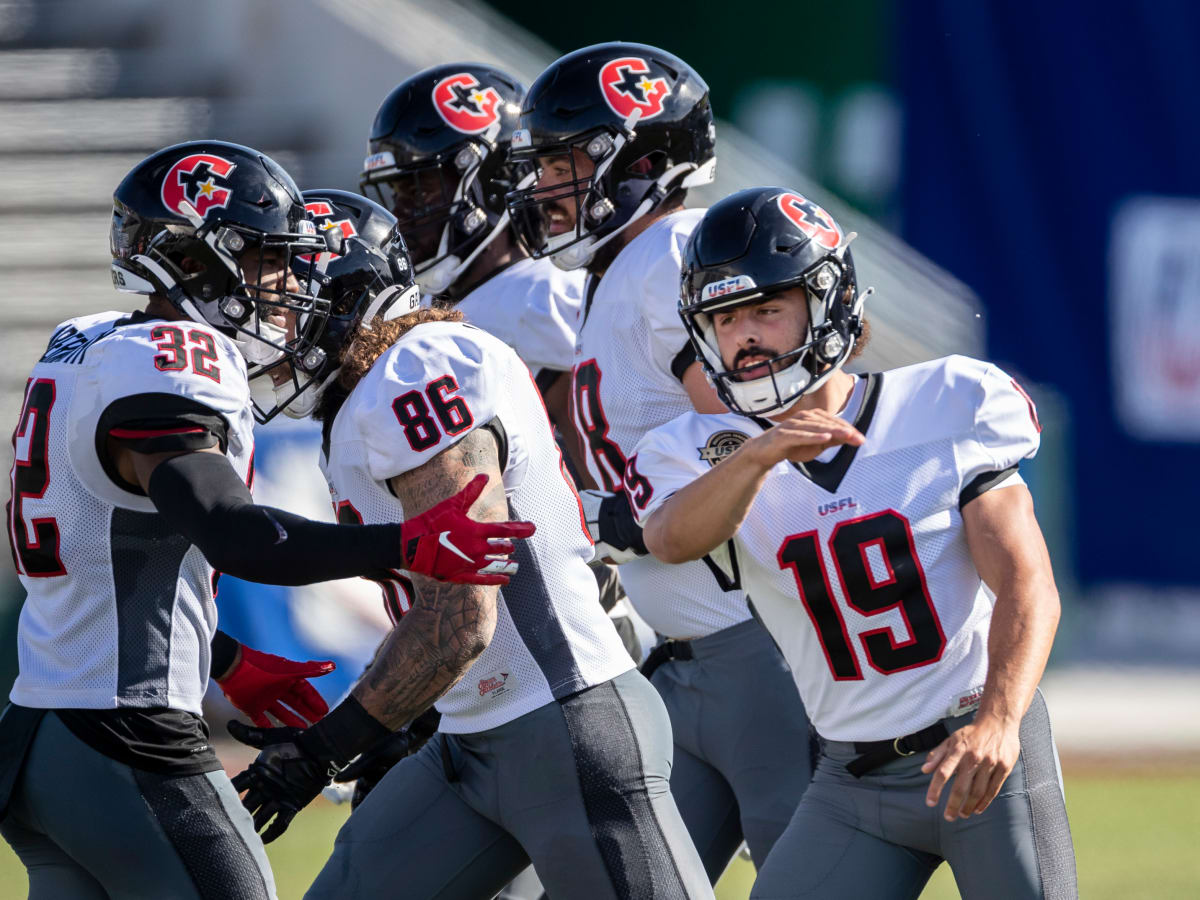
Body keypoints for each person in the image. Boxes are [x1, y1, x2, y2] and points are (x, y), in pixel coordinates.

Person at [0, 141, 531, 900]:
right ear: (191, 260)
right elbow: (235, 530)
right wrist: (406, 542)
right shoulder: (168, 359)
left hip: (41, 732)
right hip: (126, 736)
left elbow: (99, 554)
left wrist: (222, 658)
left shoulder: (82, 345)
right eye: (265, 260)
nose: (286, 286)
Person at [227, 189, 715, 900]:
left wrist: (324, 748)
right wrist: (414, 713)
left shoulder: (414, 369)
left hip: (565, 725)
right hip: (471, 736)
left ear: (344, 290)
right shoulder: (370, 391)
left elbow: (464, 613)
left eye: (286, 296)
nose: (270, 325)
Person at [630, 186, 1078, 898]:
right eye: (724, 319)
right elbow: (670, 538)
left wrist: (999, 720)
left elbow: (1029, 582)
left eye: (766, 310)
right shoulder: (703, 451)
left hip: (976, 745)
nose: (743, 337)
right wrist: (758, 454)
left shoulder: (945, 403)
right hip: (850, 783)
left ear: (829, 303)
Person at [505, 42, 814, 881]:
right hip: (687, 661)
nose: (543, 187)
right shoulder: (621, 273)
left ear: (640, 162)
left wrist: (624, 518)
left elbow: (754, 437)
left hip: (757, 645)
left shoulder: (670, 254)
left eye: (565, 162)